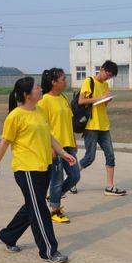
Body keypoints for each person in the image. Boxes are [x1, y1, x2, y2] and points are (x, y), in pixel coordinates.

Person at [0, 77, 76, 263]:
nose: (41, 89)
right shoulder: (15, 116)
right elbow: (4, 143)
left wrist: (63, 153)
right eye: (36, 87)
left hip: (44, 167)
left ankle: (7, 236)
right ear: (27, 95)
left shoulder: (40, 110)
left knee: (33, 205)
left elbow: (49, 136)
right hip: (26, 169)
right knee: (40, 210)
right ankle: (49, 251)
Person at [78, 60, 126, 196]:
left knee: (110, 155)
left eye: (111, 77)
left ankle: (109, 186)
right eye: (108, 74)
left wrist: (106, 100)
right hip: (91, 126)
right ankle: (71, 179)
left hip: (104, 125)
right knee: (89, 157)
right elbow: (81, 101)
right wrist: (98, 98)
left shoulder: (105, 85)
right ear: (102, 69)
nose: (108, 78)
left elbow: (102, 105)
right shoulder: (89, 81)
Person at [39, 68, 80, 223]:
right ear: (53, 82)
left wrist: (74, 141)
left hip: (68, 145)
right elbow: (43, 127)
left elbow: (69, 121)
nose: (65, 82)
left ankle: (54, 196)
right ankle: (55, 210)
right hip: (55, 147)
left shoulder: (63, 97)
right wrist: (49, 147)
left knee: (75, 176)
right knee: (56, 179)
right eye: (63, 79)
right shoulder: (44, 101)